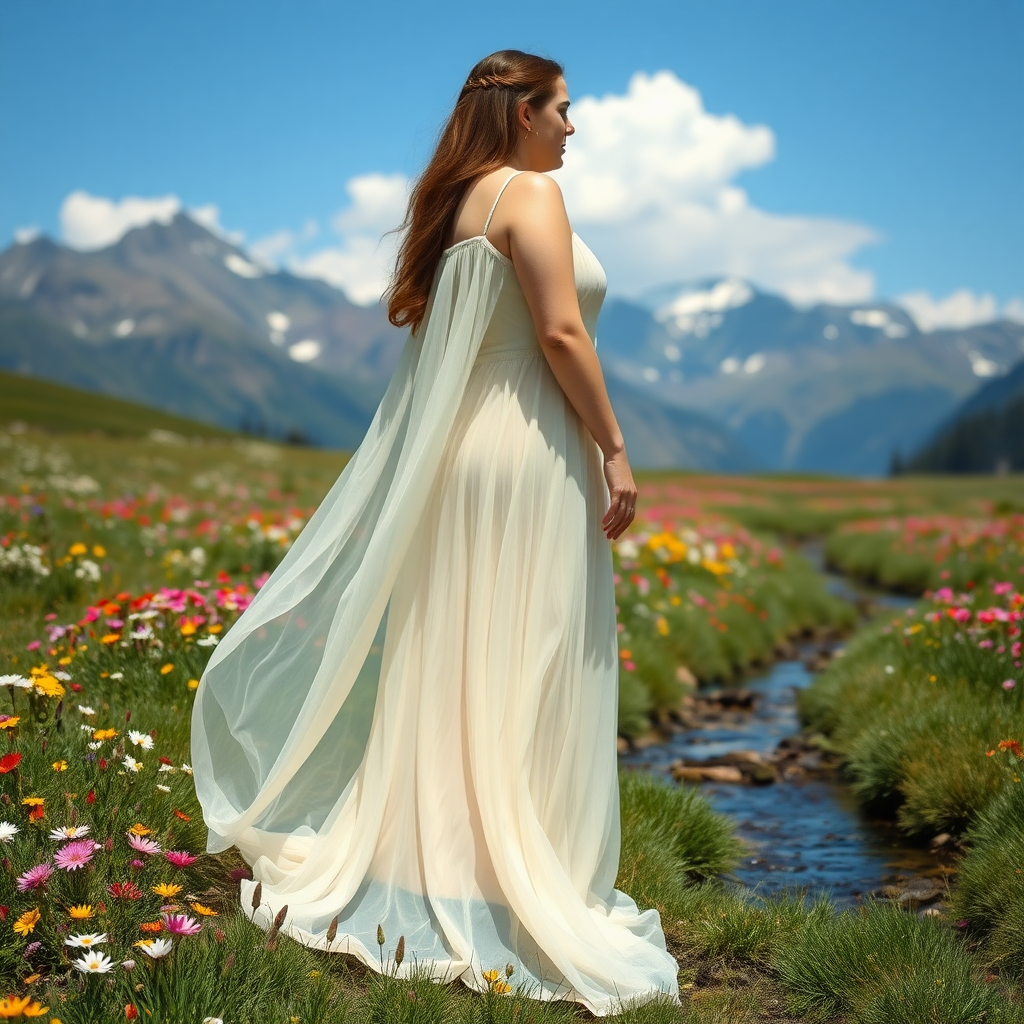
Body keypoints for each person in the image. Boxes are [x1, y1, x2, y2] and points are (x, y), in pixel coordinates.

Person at [190, 48, 682, 1015]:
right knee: (532, 657)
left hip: (466, 461)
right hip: (528, 456)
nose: (574, 127)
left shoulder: (459, 205)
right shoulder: (530, 197)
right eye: (565, 110)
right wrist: (614, 448)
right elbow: (561, 334)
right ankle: (510, 877)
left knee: (462, 655)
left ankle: (445, 862)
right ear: (524, 113)